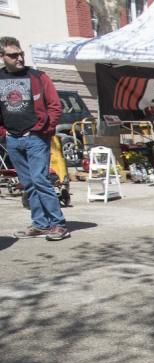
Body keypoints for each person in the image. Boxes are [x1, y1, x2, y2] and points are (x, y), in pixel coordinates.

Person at [0, 36, 68, 240]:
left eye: (21, 54)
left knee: (40, 180)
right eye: (13, 55)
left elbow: (55, 106)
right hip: (12, 138)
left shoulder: (38, 77)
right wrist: (3, 133)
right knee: (28, 183)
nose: (19, 58)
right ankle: (40, 224)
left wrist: (44, 129)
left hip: (36, 137)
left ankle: (58, 224)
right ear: (2, 56)